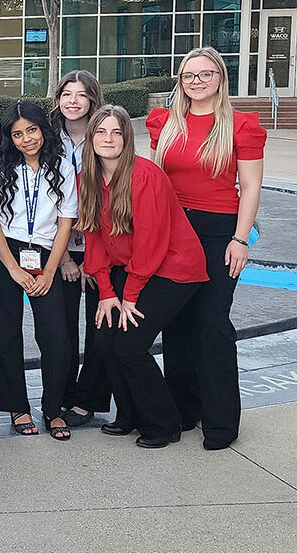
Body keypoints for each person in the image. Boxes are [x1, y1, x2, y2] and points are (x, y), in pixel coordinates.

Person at [148, 47, 266, 450]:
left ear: (220, 77)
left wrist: (239, 239)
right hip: (173, 231)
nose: (196, 81)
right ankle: (184, 409)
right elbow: (154, 182)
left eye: (205, 74)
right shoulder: (164, 123)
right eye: (188, 75)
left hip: (219, 232)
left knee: (212, 323)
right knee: (176, 322)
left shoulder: (241, 125)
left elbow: (250, 186)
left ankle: (220, 421)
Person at [78, 105, 208, 448]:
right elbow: (94, 238)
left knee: (130, 345)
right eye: (101, 132)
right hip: (132, 268)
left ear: (126, 138)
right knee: (105, 341)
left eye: (116, 132)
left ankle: (165, 424)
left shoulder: (145, 175)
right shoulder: (87, 179)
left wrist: (130, 295)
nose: (108, 139)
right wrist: (106, 291)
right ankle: (129, 415)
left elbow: (152, 242)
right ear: (91, 137)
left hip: (175, 267)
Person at [0, 100, 77, 440]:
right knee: (5, 332)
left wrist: (49, 271)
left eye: (32, 130)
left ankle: (54, 408)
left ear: (43, 130)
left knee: (56, 336)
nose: (26, 139)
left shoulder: (62, 166)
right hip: (5, 251)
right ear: (10, 138)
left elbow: (66, 222)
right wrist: (13, 268)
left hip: (47, 253)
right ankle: (17, 406)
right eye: (17, 134)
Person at [50, 69, 112, 427]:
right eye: (67, 94)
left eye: (81, 95)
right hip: (59, 250)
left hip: (101, 248)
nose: (73, 102)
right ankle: (62, 396)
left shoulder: (104, 137)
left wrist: (92, 257)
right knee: (62, 331)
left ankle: (89, 399)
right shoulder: (48, 139)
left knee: (99, 327)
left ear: (93, 99)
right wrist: (63, 261)